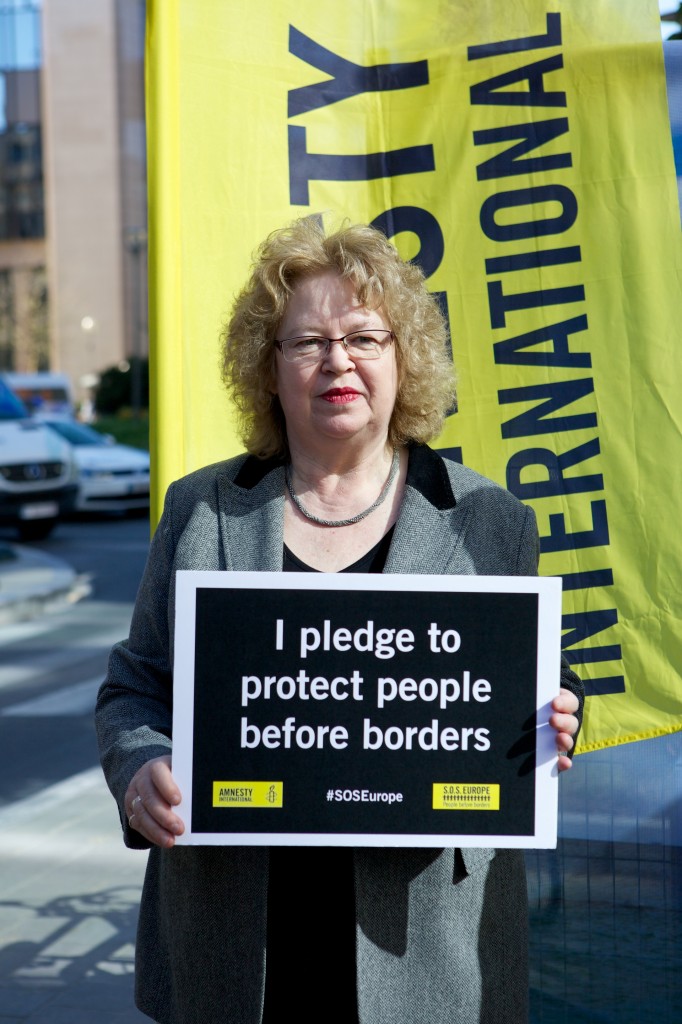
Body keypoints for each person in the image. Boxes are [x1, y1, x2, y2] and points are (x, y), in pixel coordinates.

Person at [96, 217, 583, 1024]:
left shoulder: (490, 519)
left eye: (365, 337)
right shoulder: (201, 510)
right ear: (269, 367)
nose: (338, 361)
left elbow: (532, 681)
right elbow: (135, 687)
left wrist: (556, 715)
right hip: (235, 939)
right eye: (307, 341)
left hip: (425, 948)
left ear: (403, 359)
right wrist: (139, 768)